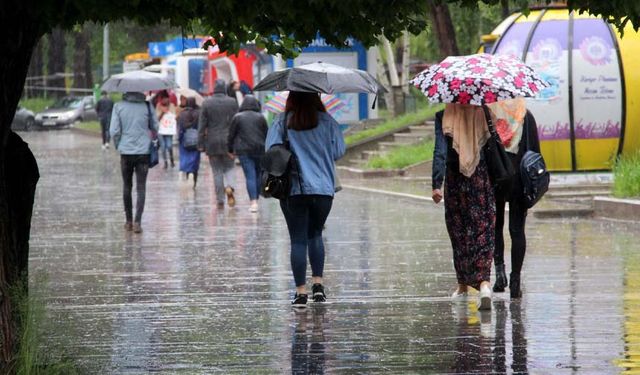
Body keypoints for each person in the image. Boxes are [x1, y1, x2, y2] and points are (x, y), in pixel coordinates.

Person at [265, 91, 346, 308]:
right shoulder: (328, 121)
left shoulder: (282, 121)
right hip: (323, 189)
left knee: (298, 239)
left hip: (294, 188)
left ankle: (300, 293)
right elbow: (338, 151)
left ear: (291, 98)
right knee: (316, 234)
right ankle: (318, 287)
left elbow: (270, 151)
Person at [432, 104, 495, 310]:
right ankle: (484, 284)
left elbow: (439, 151)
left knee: (458, 232)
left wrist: (436, 184)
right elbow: (492, 146)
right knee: (482, 229)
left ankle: (463, 286)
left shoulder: (444, 116)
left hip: (454, 180)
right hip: (480, 179)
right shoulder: (483, 113)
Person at [487, 98, 540, 299]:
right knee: (517, 230)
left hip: (496, 177)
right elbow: (535, 152)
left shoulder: (490, 115)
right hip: (519, 179)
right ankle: (515, 281)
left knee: (495, 227)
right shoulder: (526, 116)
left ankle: (500, 276)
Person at [110, 92, 158, 234]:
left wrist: (119, 145)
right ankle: (138, 221)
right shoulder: (147, 106)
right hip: (144, 152)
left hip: (126, 152)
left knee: (127, 186)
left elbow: (114, 131)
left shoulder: (118, 106)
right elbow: (155, 127)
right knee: (141, 187)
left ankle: (128, 221)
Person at [198, 79, 239, 209]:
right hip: (229, 142)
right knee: (230, 167)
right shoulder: (232, 102)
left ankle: (220, 199)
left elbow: (201, 125)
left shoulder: (206, 103)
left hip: (212, 142)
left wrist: (200, 144)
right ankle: (230, 187)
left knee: (217, 171)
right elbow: (236, 122)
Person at [227, 95, 268, 212]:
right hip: (260, 149)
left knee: (250, 175)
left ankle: (253, 202)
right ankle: (257, 196)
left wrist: (230, 150)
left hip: (243, 150)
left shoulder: (237, 117)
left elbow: (231, 135)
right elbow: (267, 133)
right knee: (259, 174)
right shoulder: (261, 117)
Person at [177, 97, 201, 189]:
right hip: (196, 140)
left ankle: (187, 174)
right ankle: (194, 179)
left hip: (184, 140)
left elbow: (180, 128)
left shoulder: (182, 114)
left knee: (186, 159)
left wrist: (179, 139)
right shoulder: (198, 113)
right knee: (195, 160)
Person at [157, 97, 177, 169]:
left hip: (169, 131)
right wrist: (162, 112)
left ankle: (171, 160)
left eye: (166, 105)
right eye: (163, 105)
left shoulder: (172, 108)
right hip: (161, 131)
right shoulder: (158, 107)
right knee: (163, 147)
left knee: (169, 146)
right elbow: (156, 120)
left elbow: (175, 117)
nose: (165, 107)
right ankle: (165, 162)